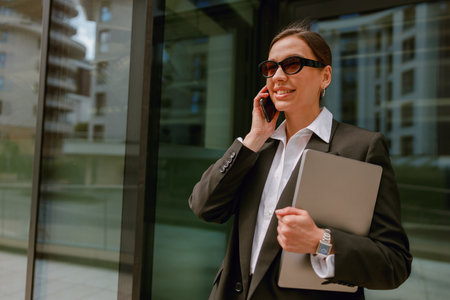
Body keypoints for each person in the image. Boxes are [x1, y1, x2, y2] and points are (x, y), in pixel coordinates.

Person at [188, 22, 412, 300]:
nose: (278, 77)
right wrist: (255, 137)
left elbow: (395, 264)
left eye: (292, 64)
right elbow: (204, 207)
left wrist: (322, 242)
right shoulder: (257, 149)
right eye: (271, 68)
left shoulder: (361, 148)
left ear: (325, 76)